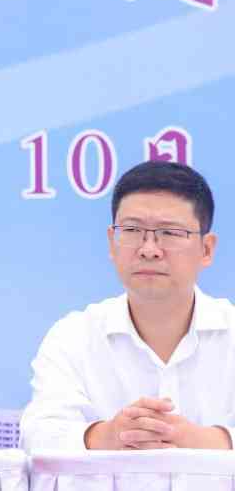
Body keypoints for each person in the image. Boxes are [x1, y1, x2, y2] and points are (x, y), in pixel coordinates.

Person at [20, 160, 233, 451]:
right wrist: (107, 435)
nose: (149, 249)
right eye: (132, 230)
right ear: (112, 242)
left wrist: (200, 440)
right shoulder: (73, 336)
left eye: (169, 233)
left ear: (206, 249)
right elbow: (38, 434)